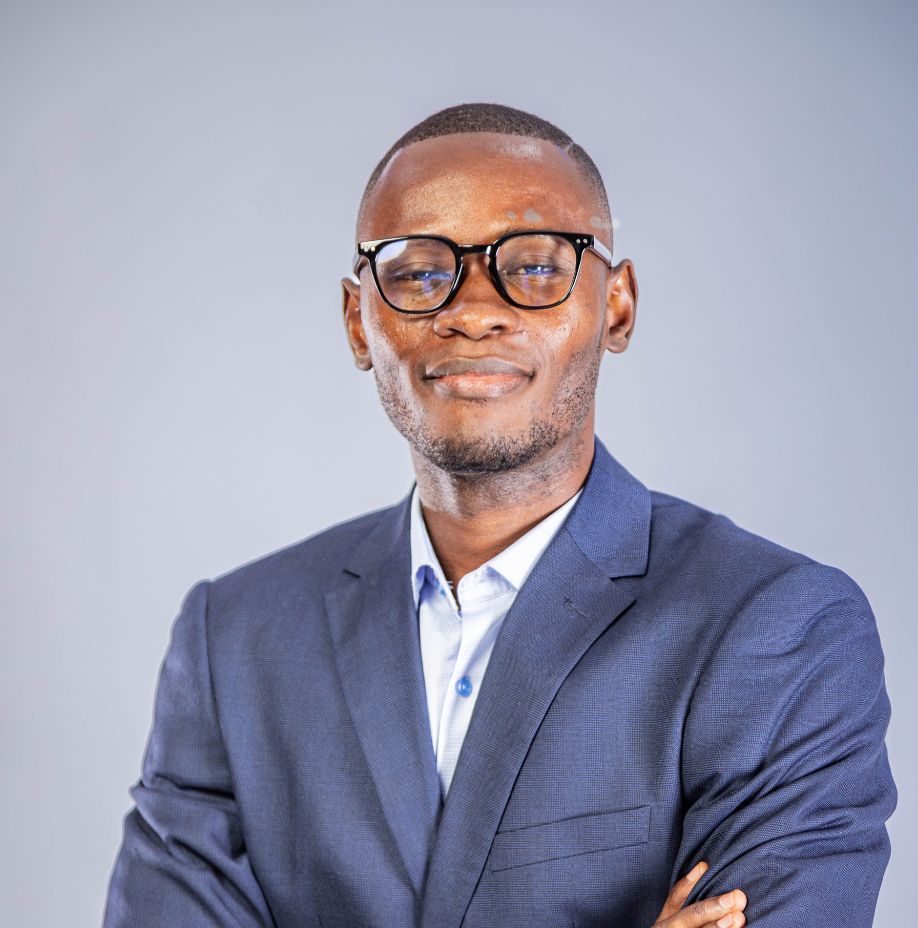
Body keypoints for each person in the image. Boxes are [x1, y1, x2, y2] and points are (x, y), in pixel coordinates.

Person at [102, 103, 896, 928]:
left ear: (617, 306)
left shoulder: (775, 626)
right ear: (358, 322)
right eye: (417, 272)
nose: (474, 309)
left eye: (537, 266)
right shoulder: (234, 640)